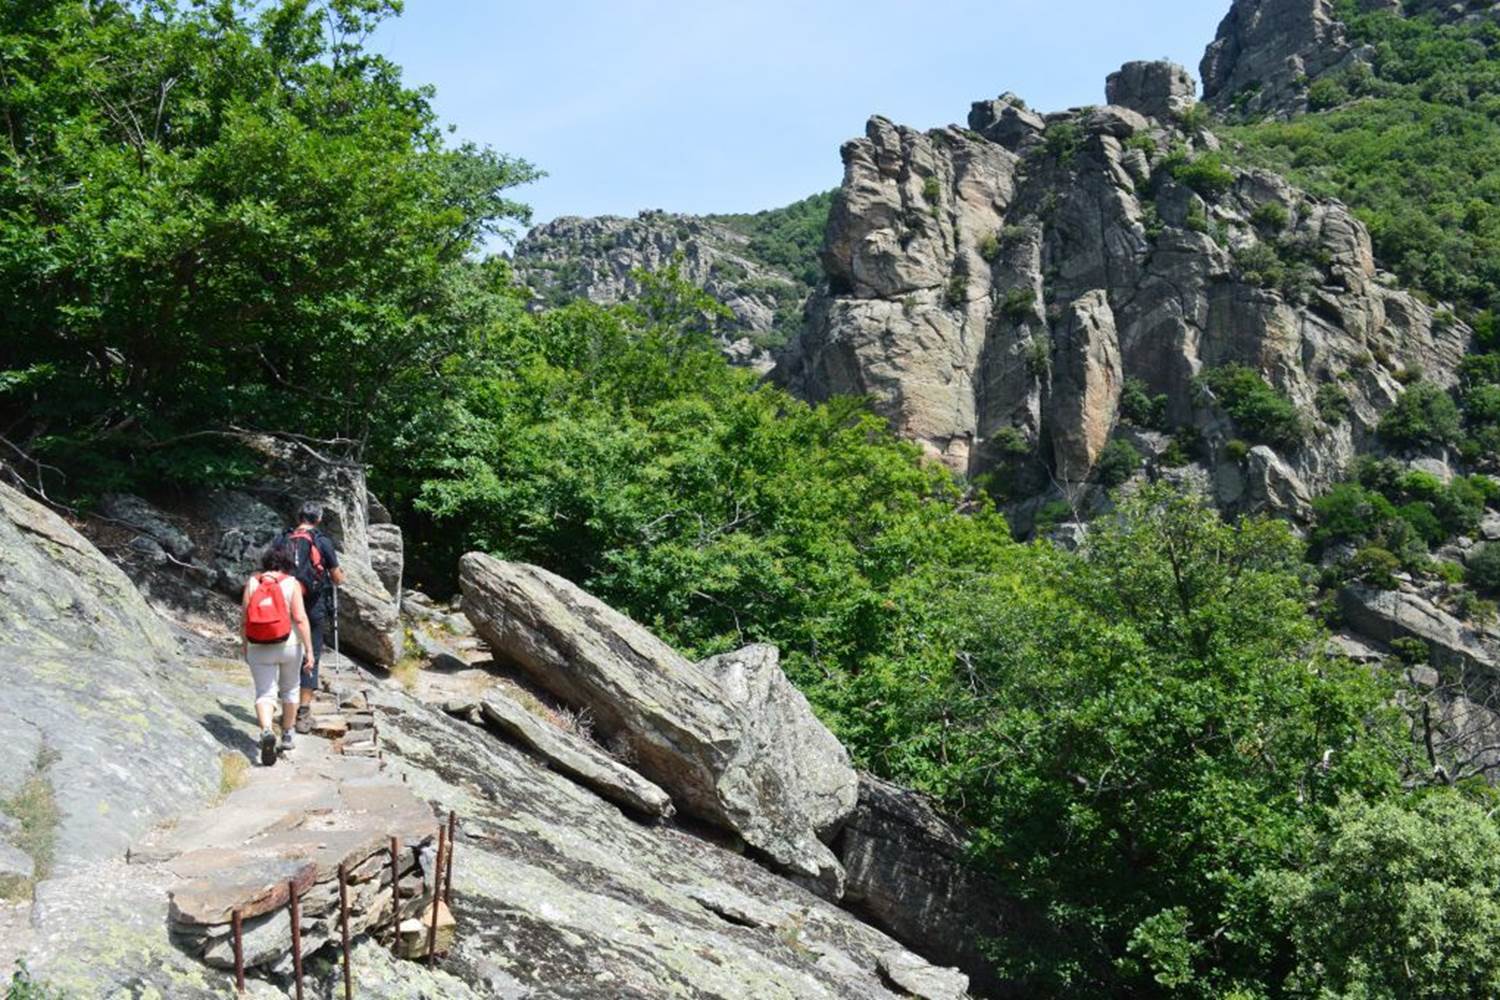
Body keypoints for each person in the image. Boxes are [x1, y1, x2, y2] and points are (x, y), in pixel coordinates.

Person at [241, 539, 315, 765]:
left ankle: (265, 730)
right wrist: (310, 650)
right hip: (289, 645)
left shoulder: (253, 583)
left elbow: (244, 618)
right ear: (286, 562)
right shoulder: (291, 583)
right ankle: (288, 734)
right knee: (290, 689)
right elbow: (301, 619)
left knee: (265, 692)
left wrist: (245, 645)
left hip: (258, 645)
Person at [279, 502, 345, 733]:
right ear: (317, 519)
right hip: (312, 604)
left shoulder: (283, 539)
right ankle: (303, 712)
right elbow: (337, 578)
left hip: (285, 603)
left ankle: (285, 704)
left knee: (285, 650)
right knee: (312, 654)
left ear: (299, 517)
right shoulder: (322, 541)